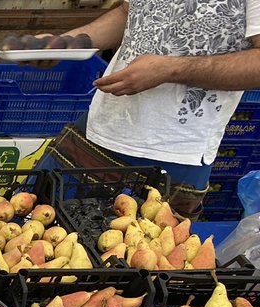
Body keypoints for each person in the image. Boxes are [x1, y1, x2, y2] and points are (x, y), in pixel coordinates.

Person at [36, 1, 260, 216]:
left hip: (174, 155)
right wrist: (67, 43)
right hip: (101, 128)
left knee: (137, 253)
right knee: (30, 235)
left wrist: (169, 70)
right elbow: (128, 12)